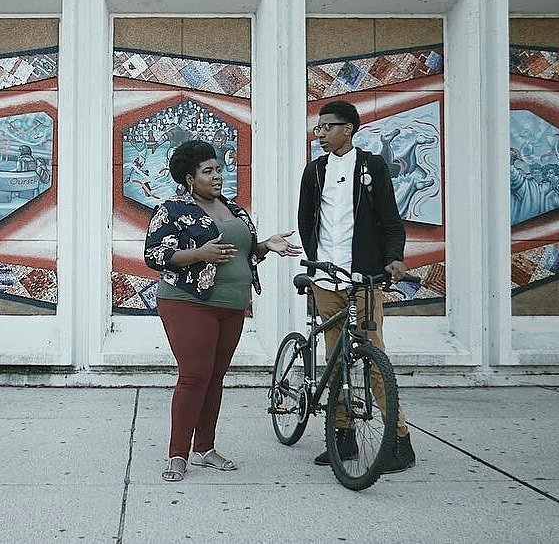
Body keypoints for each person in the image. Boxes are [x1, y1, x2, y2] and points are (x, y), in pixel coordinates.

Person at [144, 140, 301, 482]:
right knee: (194, 376)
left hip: (232, 305)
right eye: (208, 171)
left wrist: (265, 245)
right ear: (190, 178)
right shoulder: (172, 209)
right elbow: (154, 255)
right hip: (188, 302)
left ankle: (205, 448)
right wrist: (198, 254)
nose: (217, 176)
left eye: (218, 169)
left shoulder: (234, 210)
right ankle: (178, 454)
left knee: (215, 377)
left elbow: (243, 252)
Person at [298, 100, 416, 473]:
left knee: (373, 355)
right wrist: (316, 260)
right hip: (325, 278)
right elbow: (306, 220)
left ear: (347, 128)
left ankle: (399, 440)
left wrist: (393, 258)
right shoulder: (315, 171)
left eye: (327, 127)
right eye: (318, 128)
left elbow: (391, 220)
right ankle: (343, 435)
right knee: (335, 358)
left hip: (363, 278)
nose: (320, 134)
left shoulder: (372, 166)